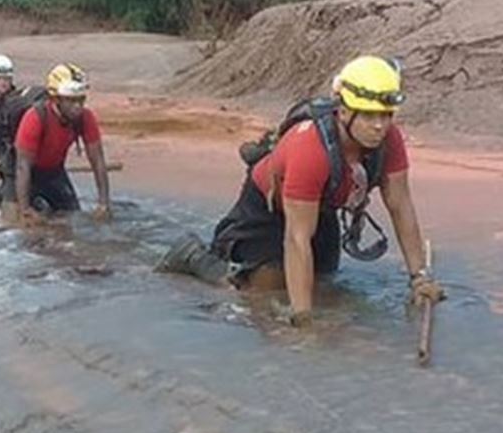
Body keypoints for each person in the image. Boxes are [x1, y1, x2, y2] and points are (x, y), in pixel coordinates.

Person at [158, 55, 444, 325]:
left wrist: (419, 278)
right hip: (271, 206)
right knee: (262, 291)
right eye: (369, 116)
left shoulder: (389, 140)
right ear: (343, 111)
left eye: (386, 115)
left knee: (324, 281)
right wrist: (303, 320)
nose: (379, 125)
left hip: (322, 204)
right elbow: (297, 238)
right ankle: (195, 256)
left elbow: (401, 205)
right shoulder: (311, 149)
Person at [0, 63, 112, 225]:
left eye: (81, 100)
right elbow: (22, 167)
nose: (77, 106)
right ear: (56, 99)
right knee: (15, 224)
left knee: (72, 218)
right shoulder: (35, 118)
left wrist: (104, 203)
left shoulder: (85, 118)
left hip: (53, 171)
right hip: (19, 172)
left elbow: (98, 161)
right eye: (71, 101)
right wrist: (25, 211)